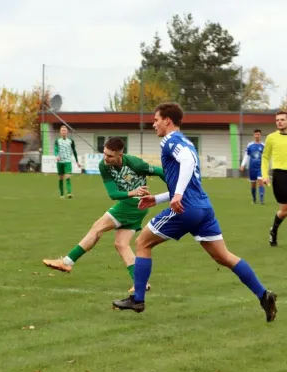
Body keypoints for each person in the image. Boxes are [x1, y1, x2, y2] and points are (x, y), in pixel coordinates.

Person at [112, 102, 277, 323]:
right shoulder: (186, 141)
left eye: (156, 119)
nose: (153, 124)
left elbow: (187, 163)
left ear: (167, 121)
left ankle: (138, 299)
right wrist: (159, 198)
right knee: (224, 256)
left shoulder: (170, 141)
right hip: (203, 208)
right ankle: (264, 295)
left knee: (142, 243)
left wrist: (177, 195)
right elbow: (188, 177)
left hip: (186, 209)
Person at [43, 137, 164, 292]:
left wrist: (176, 192)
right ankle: (141, 283)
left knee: (97, 228)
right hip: (131, 203)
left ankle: (67, 262)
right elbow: (113, 193)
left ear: (120, 154)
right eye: (104, 154)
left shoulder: (135, 163)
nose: (105, 158)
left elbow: (160, 171)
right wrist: (133, 192)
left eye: (109, 156)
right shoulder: (104, 165)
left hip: (133, 204)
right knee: (121, 244)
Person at [261, 111, 287, 247]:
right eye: (277, 120)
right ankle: (273, 230)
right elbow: (265, 158)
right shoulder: (271, 138)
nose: (279, 122)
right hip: (280, 176)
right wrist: (264, 175)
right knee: (285, 211)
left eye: (282, 119)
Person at [239, 129, 265, 204]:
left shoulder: (263, 146)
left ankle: (261, 199)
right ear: (254, 135)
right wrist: (242, 165)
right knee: (253, 184)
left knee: (260, 182)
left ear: (260, 135)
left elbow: (265, 157)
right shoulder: (250, 145)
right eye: (256, 134)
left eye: (258, 134)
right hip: (252, 168)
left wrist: (265, 167)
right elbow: (246, 155)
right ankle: (254, 199)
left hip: (260, 168)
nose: (257, 136)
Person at [54, 126, 81, 198]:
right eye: (62, 130)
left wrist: (77, 161)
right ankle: (62, 194)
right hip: (60, 162)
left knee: (68, 176)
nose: (63, 132)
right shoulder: (57, 141)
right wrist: (56, 155)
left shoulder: (71, 141)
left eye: (64, 130)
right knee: (60, 178)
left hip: (68, 161)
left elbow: (74, 151)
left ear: (67, 132)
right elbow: (56, 149)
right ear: (60, 132)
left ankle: (69, 193)